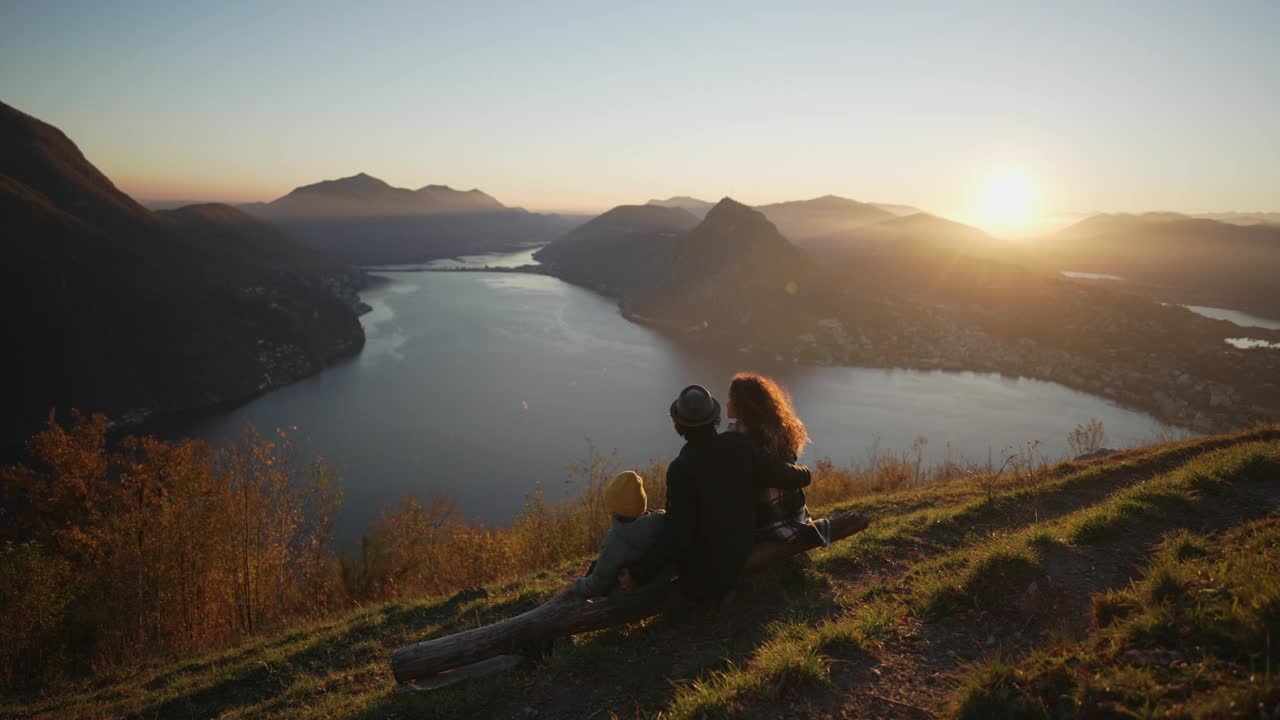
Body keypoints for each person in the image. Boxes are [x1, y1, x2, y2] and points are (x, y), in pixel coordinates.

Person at [619, 384, 813, 608]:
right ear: (716, 419)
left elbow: (677, 535)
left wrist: (638, 574)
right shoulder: (741, 447)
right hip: (741, 550)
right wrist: (806, 472)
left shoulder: (681, 468)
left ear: (677, 424)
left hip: (702, 580)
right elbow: (789, 476)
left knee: (647, 529)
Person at [726, 373, 831, 547]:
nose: (727, 402)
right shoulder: (778, 432)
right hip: (793, 514)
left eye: (730, 398)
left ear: (740, 406)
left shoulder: (738, 440)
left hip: (766, 524)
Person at [563, 471, 666, 599]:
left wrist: (577, 586)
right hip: (662, 584)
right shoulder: (662, 520)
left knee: (605, 576)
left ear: (614, 507)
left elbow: (598, 583)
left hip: (635, 596)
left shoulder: (616, 539)